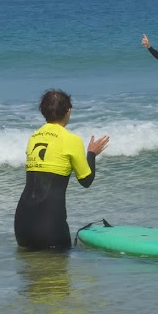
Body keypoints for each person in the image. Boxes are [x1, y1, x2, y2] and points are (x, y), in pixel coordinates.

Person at [15, 90, 110, 250]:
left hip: (22, 226)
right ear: (68, 111)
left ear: (43, 112)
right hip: (50, 228)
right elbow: (86, 181)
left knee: (32, 272)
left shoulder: (34, 137)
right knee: (59, 273)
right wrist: (92, 154)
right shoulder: (71, 140)